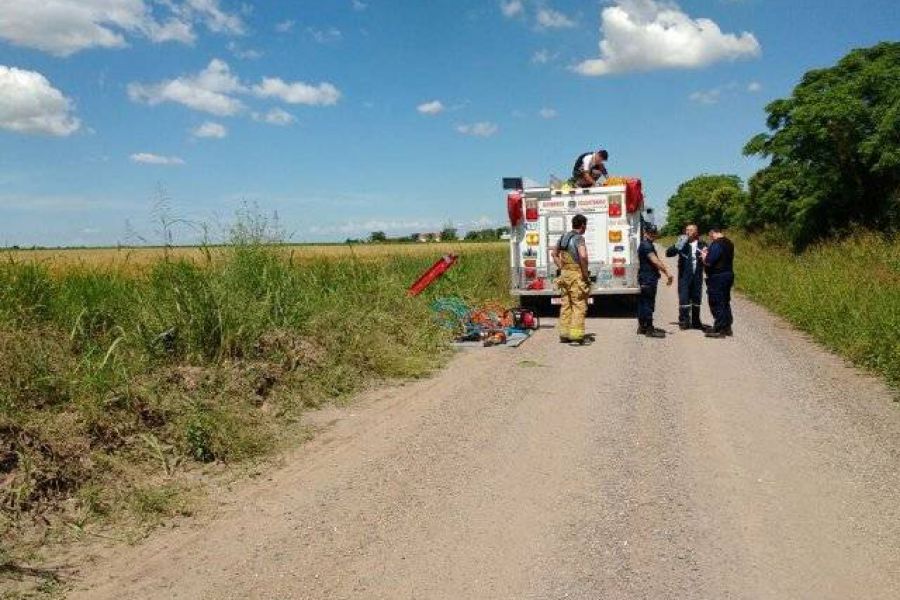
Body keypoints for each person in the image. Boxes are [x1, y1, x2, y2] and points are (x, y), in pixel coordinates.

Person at [552, 214, 591, 344]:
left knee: (566, 305)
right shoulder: (579, 238)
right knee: (579, 305)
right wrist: (585, 274)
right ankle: (576, 336)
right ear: (583, 225)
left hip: (564, 275)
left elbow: (554, 254)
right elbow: (583, 256)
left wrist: (562, 267)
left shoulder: (563, 237)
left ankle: (564, 334)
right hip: (576, 275)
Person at [666, 223, 707, 330]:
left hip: (697, 275)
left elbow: (708, 258)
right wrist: (677, 245)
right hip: (684, 276)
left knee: (696, 298)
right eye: (687, 230)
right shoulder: (682, 243)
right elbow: (668, 253)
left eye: (691, 230)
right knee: (684, 298)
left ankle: (696, 321)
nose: (688, 232)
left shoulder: (702, 244)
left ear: (696, 232)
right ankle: (684, 321)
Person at [637, 223, 674, 338]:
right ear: (646, 233)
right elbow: (655, 261)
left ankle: (642, 327)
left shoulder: (646, 244)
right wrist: (667, 273)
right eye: (651, 233)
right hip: (648, 278)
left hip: (645, 277)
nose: (653, 235)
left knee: (643, 302)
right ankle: (649, 329)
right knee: (648, 303)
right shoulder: (647, 245)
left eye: (654, 233)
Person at [700, 225, 735, 338]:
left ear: (712, 232)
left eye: (710, 235)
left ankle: (719, 329)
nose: (709, 237)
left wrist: (704, 256)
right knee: (725, 301)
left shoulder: (716, 244)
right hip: (728, 274)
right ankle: (727, 327)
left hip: (717, 277)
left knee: (716, 301)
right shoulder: (729, 243)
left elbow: (709, 261)